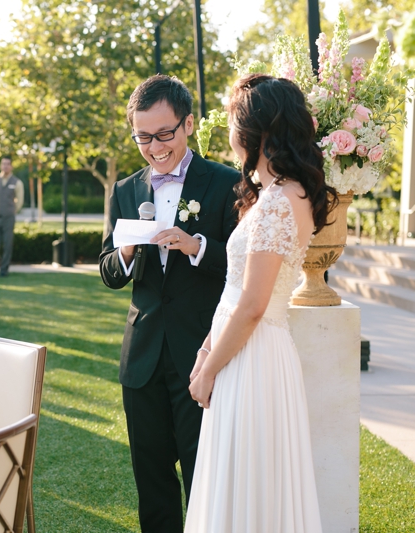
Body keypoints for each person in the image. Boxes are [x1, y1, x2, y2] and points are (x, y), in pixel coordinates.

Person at [184, 74, 331, 533]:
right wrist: (207, 347)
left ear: (254, 131)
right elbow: (235, 292)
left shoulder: (277, 203)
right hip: (244, 348)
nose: (229, 134)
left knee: (247, 478)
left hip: (252, 356)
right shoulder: (280, 195)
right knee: (243, 477)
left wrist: (209, 370)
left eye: (232, 122)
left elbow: (252, 304)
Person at [99, 74, 240, 533]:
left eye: (165, 134)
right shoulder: (125, 189)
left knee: (204, 475)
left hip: (201, 355)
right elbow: (109, 271)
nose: (155, 147)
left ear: (189, 124)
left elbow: (244, 267)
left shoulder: (225, 182)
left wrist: (195, 245)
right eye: (143, 137)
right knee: (151, 478)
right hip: (141, 359)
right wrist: (123, 253)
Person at [0, 156, 23, 277]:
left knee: (7, 243)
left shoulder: (17, 182)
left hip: (9, 217)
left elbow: (20, 201)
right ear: (1, 166)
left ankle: (4, 269)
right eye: (3, 164)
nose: (5, 166)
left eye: (8, 164)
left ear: (11, 166)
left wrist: (12, 211)